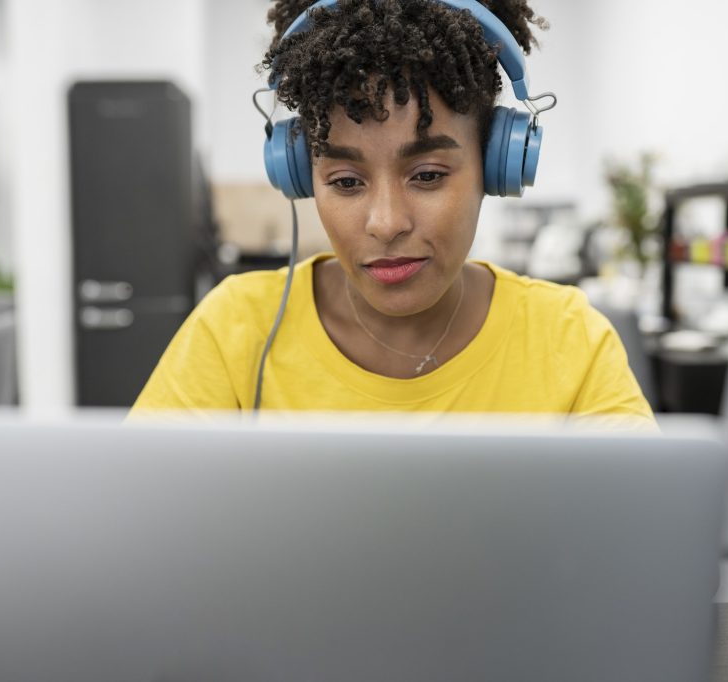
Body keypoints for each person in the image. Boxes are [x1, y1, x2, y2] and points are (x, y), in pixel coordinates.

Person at [131, 0, 655, 428]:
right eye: (346, 182)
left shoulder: (568, 340)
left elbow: (646, 543)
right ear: (299, 175)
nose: (385, 223)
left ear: (496, 166)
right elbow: (134, 532)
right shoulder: (234, 330)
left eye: (427, 175)